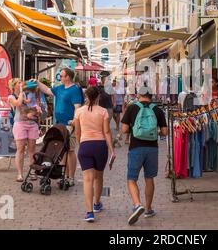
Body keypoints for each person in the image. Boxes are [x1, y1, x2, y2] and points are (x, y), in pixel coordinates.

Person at [121, 87, 168, 225]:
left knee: (131, 179)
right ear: (151, 96)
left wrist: (135, 129)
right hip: (152, 148)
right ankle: (148, 209)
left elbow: (124, 130)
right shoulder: (157, 110)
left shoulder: (131, 108)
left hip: (136, 148)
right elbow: (165, 132)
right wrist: (154, 132)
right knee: (149, 178)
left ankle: (137, 204)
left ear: (139, 95)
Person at [36, 68, 83, 187]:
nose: (60, 78)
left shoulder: (74, 90)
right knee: (62, 150)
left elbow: (77, 107)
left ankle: (71, 177)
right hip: (59, 123)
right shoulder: (60, 88)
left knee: (70, 150)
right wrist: (37, 82)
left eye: (61, 76)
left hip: (69, 124)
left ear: (68, 77)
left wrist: (74, 120)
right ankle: (63, 175)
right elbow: (47, 90)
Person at [74, 86, 115, 222]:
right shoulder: (103, 112)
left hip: (85, 145)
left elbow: (77, 132)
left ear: (86, 96)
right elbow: (107, 132)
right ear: (98, 97)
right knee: (98, 177)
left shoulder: (79, 111)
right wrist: (112, 150)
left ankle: (89, 212)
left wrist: (81, 145)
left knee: (87, 179)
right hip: (100, 145)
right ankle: (97, 203)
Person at [8, 78, 40, 182]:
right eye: (19, 83)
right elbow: (18, 103)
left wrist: (35, 112)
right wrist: (22, 92)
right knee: (20, 149)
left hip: (32, 124)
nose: (22, 84)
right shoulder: (11, 97)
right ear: (14, 86)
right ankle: (20, 174)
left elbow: (37, 109)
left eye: (22, 82)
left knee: (32, 150)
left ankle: (32, 172)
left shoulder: (29, 94)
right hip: (20, 124)